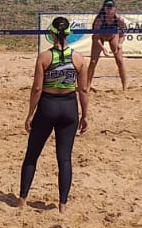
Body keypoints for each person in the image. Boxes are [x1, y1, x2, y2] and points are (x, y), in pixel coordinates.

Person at [19, 17, 90, 213]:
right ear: (68, 34)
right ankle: (62, 205)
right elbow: (83, 90)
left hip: (48, 106)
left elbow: (37, 89)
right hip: (69, 108)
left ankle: (23, 200)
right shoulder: (79, 59)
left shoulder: (44, 57)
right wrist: (85, 115)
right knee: (64, 158)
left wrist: (30, 113)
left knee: (32, 155)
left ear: (51, 34)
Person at [87, 0, 127, 91]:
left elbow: (122, 35)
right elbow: (96, 37)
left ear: (114, 9)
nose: (109, 10)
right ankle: (87, 86)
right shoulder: (99, 19)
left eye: (111, 7)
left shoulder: (119, 19)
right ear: (104, 8)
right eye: (107, 7)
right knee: (93, 61)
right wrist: (103, 48)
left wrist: (120, 44)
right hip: (100, 37)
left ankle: (125, 87)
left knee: (120, 60)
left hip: (113, 35)